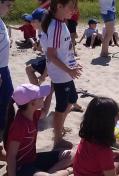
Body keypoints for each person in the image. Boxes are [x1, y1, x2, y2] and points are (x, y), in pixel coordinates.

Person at [5, 84, 74, 176]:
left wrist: (51, 91)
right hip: (21, 167)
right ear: (32, 103)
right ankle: (66, 171)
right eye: (40, 96)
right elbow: (11, 156)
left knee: (71, 155)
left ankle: (48, 173)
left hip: (33, 159)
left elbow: (45, 111)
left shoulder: (33, 114)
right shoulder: (19, 125)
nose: (43, 98)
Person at [41, 0, 82, 149]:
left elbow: (64, 52)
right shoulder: (56, 26)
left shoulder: (62, 23)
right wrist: (69, 70)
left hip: (65, 72)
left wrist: (73, 64)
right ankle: (57, 139)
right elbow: (51, 55)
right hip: (60, 75)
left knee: (72, 99)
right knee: (61, 106)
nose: (74, 10)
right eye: (71, 7)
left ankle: (59, 126)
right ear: (59, 6)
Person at [73, 97, 119, 176]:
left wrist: (117, 153)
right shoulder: (104, 151)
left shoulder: (87, 136)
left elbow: (94, 155)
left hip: (79, 173)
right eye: (116, 115)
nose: (118, 119)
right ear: (108, 122)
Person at [0, 0, 15, 161]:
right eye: (8, 4)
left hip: (4, 69)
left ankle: (3, 145)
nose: (11, 8)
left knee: (7, 105)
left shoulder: (1, 20)